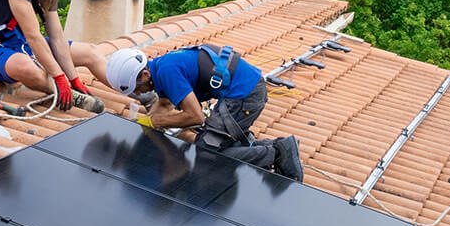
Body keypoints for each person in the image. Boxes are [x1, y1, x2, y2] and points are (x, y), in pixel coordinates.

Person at [104, 45, 304, 181]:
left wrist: (156, 123)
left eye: (135, 88)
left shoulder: (167, 72)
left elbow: (196, 116)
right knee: (216, 140)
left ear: (145, 74)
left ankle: (276, 153)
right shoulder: (160, 68)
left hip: (245, 95)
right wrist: (144, 124)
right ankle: (275, 148)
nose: (138, 94)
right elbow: (164, 104)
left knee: (208, 150)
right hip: (241, 91)